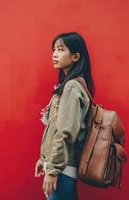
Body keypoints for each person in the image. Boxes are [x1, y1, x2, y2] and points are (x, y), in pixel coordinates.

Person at [34, 32, 95, 200]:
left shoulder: (71, 87)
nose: (54, 54)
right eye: (54, 49)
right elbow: (55, 128)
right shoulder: (68, 85)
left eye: (60, 49)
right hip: (61, 166)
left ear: (75, 56)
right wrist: (43, 159)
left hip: (62, 169)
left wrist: (53, 169)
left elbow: (65, 133)